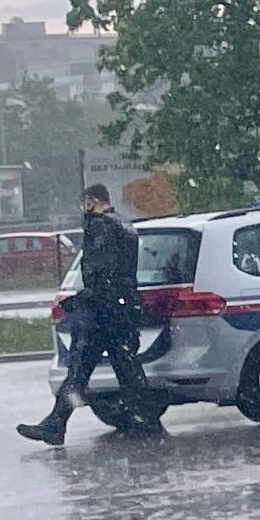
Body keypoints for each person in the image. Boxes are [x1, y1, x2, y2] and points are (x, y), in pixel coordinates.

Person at [19, 184, 159, 443]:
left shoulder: (99, 226)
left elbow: (101, 275)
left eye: (84, 203)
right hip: (123, 308)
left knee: (79, 370)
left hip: (100, 313)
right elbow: (120, 273)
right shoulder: (125, 226)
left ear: (93, 201)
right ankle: (146, 421)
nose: (83, 209)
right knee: (127, 368)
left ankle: (56, 425)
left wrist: (79, 301)